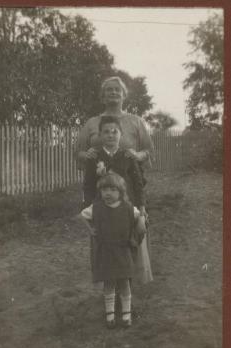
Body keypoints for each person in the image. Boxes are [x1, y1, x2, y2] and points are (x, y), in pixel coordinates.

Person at [80, 172, 146, 329]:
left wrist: (142, 221)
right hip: (106, 251)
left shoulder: (128, 208)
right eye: (104, 190)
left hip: (123, 250)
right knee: (108, 282)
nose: (107, 193)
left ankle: (126, 315)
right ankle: (110, 315)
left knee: (124, 282)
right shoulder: (96, 208)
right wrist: (90, 229)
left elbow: (139, 216)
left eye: (112, 190)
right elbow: (82, 215)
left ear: (121, 192)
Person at [76, 76, 154, 169]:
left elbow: (148, 150)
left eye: (117, 89)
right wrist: (86, 155)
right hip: (97, 179)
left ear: (124, 95)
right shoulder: (91, 123)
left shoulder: (136, 121)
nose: (113, 92)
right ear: (103, 96)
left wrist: (137, 155)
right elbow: (78, 153)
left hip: (128, 178)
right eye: (109, 90)